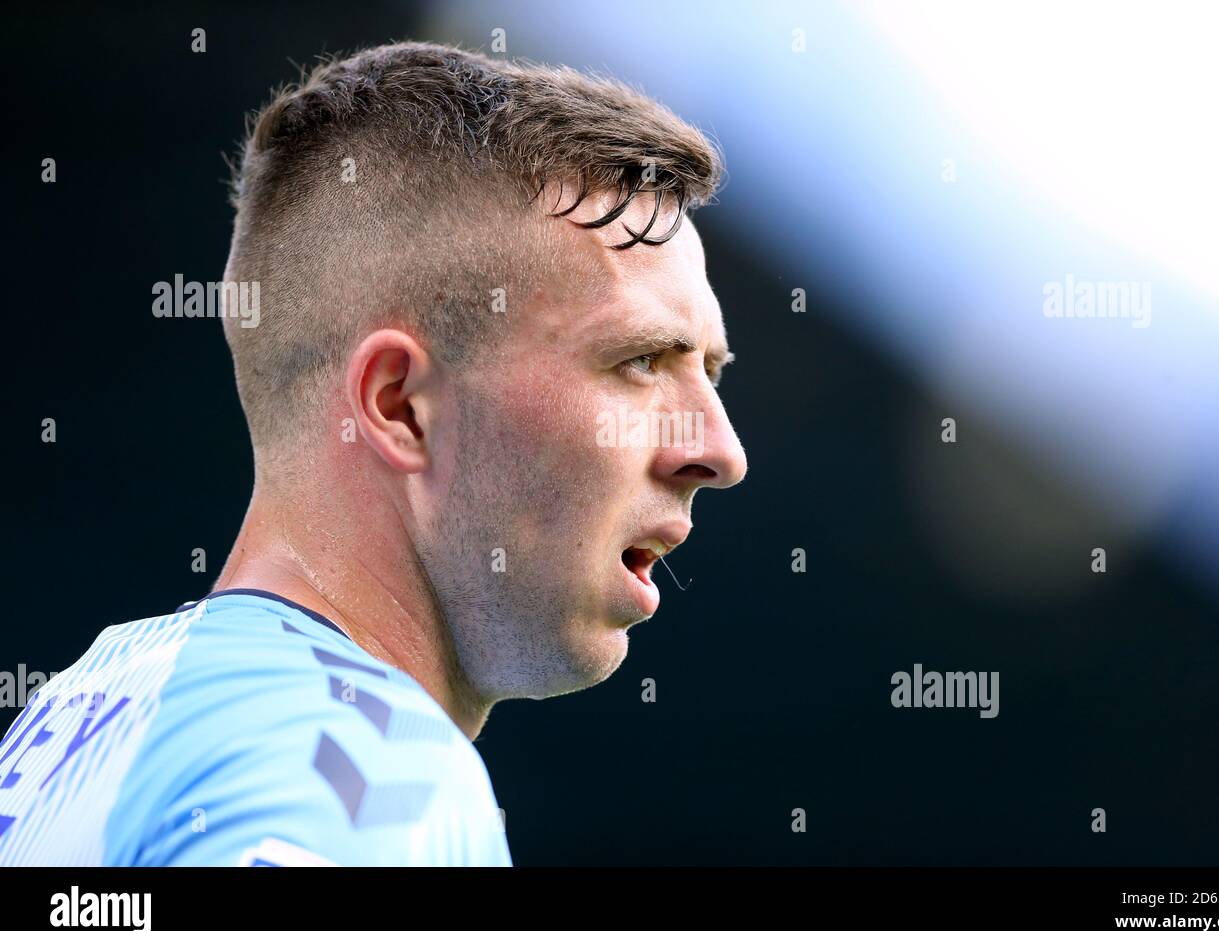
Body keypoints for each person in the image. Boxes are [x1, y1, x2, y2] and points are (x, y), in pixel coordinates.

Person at [0, 41, 746, 866]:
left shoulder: (79, 708)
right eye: (641, 360)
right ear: (400, 408)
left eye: (709, 373)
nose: (719, 450)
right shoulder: (376, 780)